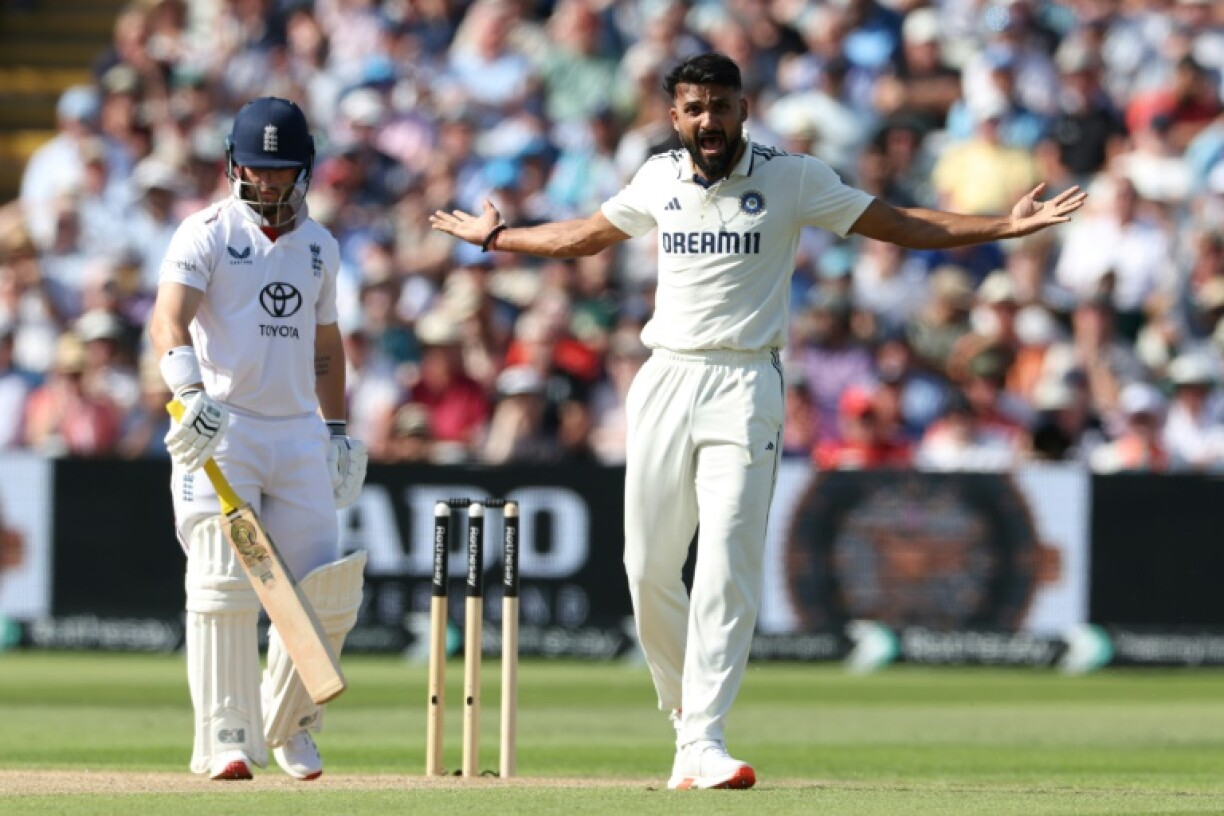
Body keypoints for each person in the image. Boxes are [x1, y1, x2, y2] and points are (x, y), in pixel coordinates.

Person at [429, 51, 1086, 790]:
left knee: (726, 561)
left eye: (721, 105)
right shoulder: (657, 177)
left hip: (746, 383)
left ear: (744, 108)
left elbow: (898, 223)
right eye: (694, 108)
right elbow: (583, 234)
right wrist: (498, 239)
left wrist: (1001, 226)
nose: (709, 120)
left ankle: (704, 736)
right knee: (646, 567)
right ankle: (685, 717)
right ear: (675, 116)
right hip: (666, 375)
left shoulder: (792, 176)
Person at [148, 97, 368, 782]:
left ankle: (292, 726)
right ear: (233, 165)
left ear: (304, 170)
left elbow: (326, 346)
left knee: (325, 590)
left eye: (281, 170)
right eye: (256, 168)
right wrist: (189, 395)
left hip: (298, 431)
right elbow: (167, 321)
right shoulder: (205, 232)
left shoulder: (320, 246)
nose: (268, 181)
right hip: (223, 428)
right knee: (222, 581)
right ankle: (227, 737)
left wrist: (336, 430)